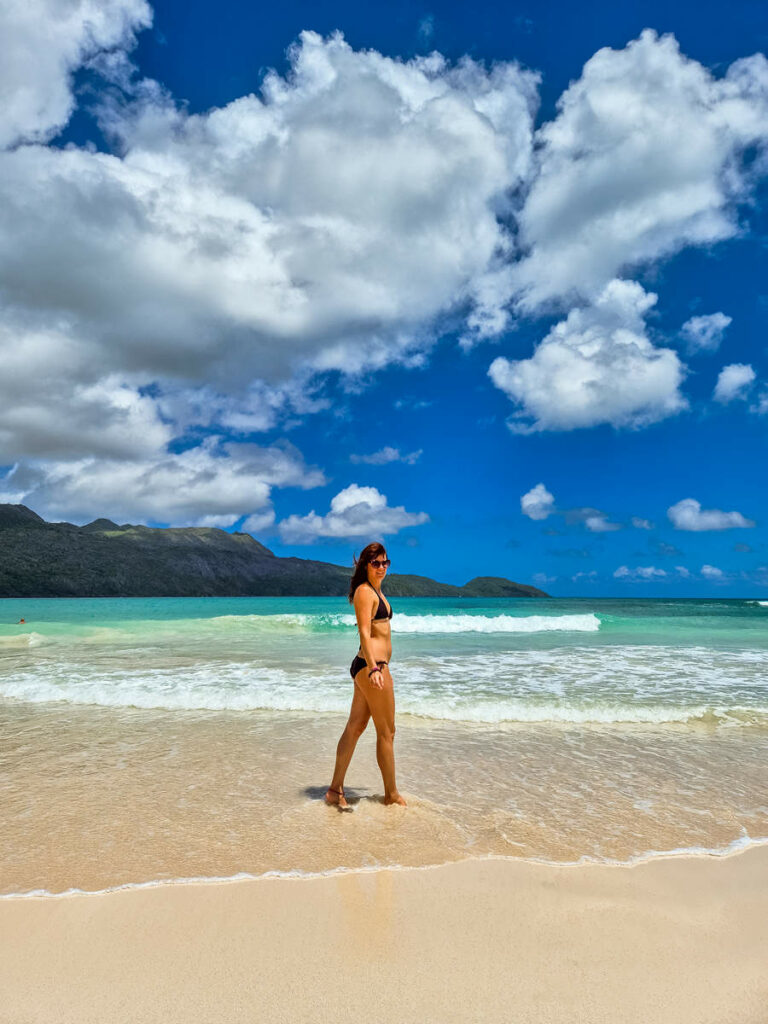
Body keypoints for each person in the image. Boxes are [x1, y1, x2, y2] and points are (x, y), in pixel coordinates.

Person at [325, 541, 407, 810]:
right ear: (365, 565)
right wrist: (374, 668)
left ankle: (334, 790)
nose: (382, 567)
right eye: (376, 563)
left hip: (370, 667)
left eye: (385, 562)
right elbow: (364, 632)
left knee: (356, 727)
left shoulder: (377, 592)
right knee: (387, 732)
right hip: (372, 668)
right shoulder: (364, 592)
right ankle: (391, 794)